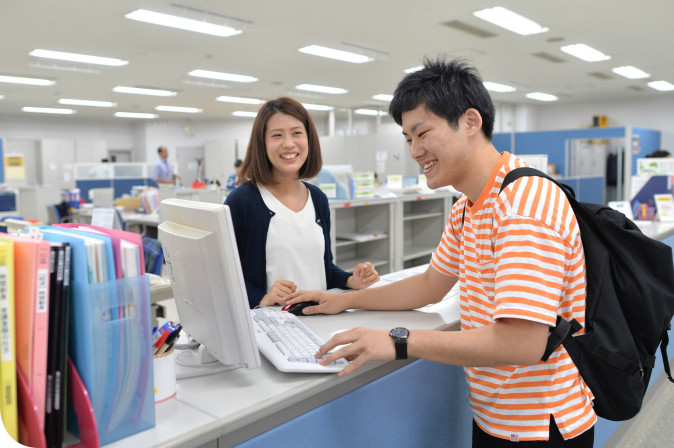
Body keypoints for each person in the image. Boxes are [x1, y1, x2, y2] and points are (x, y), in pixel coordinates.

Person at [284, 59, 596, 446]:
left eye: (422, 133)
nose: (415, 150)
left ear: (470, 122)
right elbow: (430, 285)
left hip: (539, 427)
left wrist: (398, 341)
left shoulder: (522, 205)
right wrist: (344, 301)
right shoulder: (469, 205)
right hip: (497, 416)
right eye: (407, 139)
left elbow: (523, 343)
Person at [224, 97, 380, 309]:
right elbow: (225, 277)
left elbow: (323, 268)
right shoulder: (242, 201)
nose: (289, 143)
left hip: (318, 321)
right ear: (262, 143)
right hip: (273, 328)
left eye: (297, 133)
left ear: (309, 139)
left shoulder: (318, 199)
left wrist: (351, 279)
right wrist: (262, 298)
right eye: (277, 135)